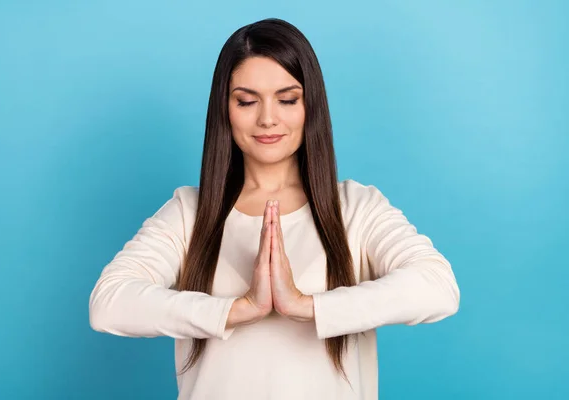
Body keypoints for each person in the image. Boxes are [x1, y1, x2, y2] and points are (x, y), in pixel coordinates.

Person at [88, 17, 460, 400]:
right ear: (225, 108)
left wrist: (306, 306)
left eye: (287, 99)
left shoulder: (356, 208)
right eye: (247, 101)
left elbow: (438, 287)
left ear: (309, 106)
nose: (268, 118)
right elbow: (109, 303)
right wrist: (236, 310)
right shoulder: (190, 212)